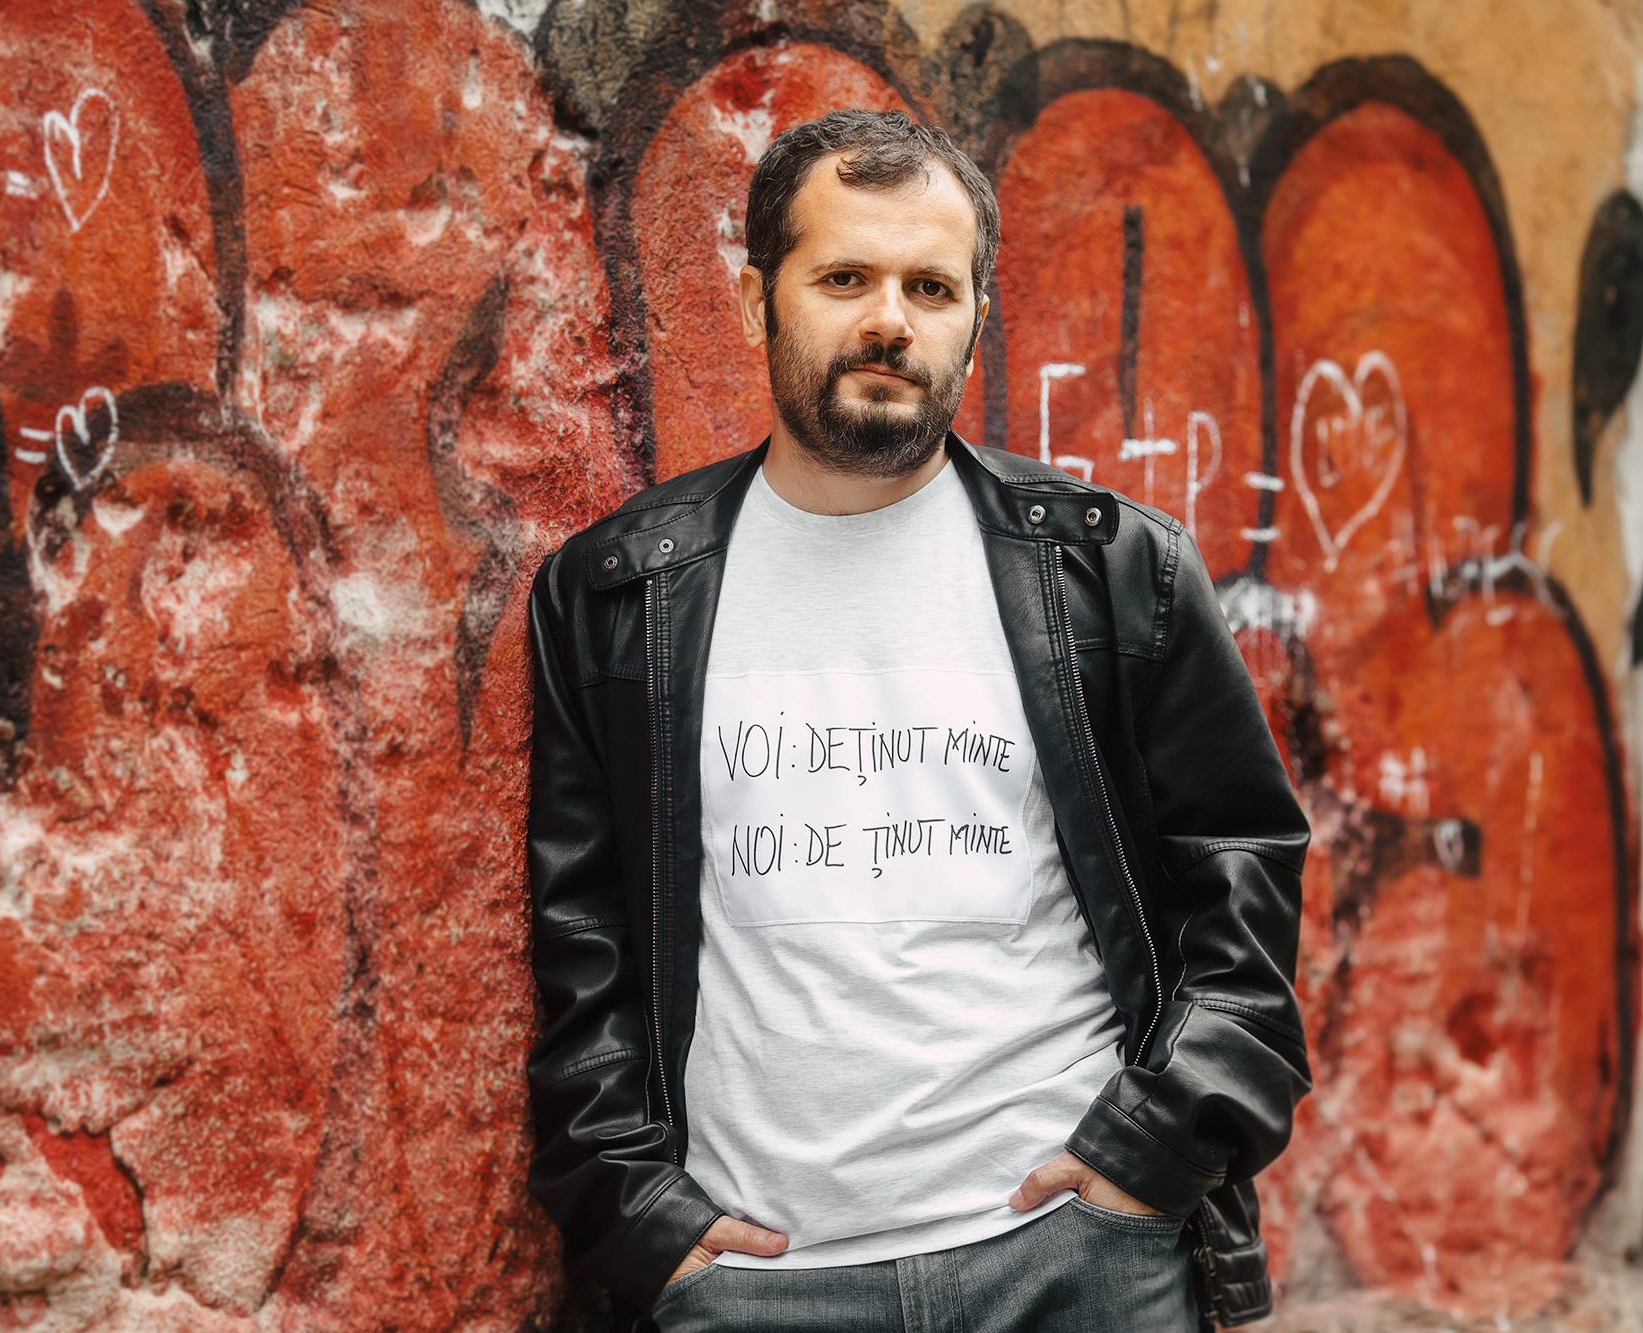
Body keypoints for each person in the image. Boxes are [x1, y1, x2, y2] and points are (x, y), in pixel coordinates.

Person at [523, 107, 1312, 1332]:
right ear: (756, 300)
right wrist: (641, 1221)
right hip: (757, 1286)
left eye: (930, 287)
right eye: (843, 277)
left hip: (1078, 1259)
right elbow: (583, 942)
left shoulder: (1108, 571)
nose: (889, 319)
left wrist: (1153, 1152)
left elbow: (1241, 867)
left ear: (973, 321)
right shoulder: (619, 594)